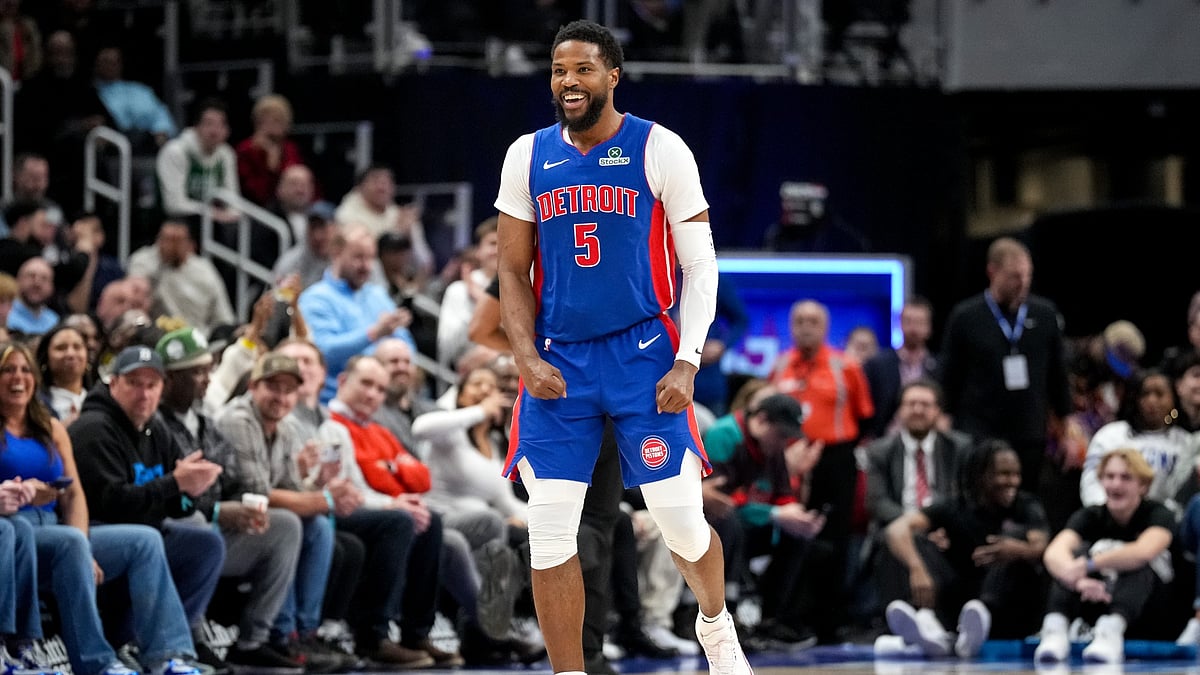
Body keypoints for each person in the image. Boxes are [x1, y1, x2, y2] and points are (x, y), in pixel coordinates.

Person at [494, 20, 749, 675]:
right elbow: (511, 272)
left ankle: (716, 625)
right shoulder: (527, 154)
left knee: (680, 521)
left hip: (645, 354)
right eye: (558, 70)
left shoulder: (660, 148)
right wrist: (524, 355)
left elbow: (701, 266)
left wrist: (689, 358)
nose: (568, 82)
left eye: (582, 69)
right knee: (549, 532)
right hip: (560, 360)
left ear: (612, 76)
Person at [0, 342, 205, 675]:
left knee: (145, 540)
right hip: (13, 529)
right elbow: (113, 498)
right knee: (47, 538)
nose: (18, 378)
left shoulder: (51, 427)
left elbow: (74, 495)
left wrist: (85, 545)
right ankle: (95, 662)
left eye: (25, 370)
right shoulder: (95, 427)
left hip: (58, 529)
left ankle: (168, 655)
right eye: (8, 370)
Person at [153, 327, 308, 673]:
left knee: (285, 525)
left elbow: (234, 480)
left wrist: (245, 507)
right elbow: (165, 496)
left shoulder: (207, 423)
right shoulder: (154, 423)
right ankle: (189, 638)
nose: (206, 379)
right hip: (172, 528)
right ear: (170, 377)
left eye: (207, 369)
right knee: (197, 527)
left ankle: (254, 641)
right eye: (195, 372)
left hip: (215, 527)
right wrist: (221, 510)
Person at [68, 346, 229, 670]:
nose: (144, 393)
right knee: (145, 540)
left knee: (205, 545)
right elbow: (112, 504)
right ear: (114, 384)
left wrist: (192, 489)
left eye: (151, 385)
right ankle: (168, 654)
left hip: (144, 531)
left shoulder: (156, 429)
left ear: (161, 389)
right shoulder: (93, 430)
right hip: (92, 533)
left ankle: (148, 639)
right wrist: (174, 484)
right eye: (134, 383)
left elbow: (179, 507)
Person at [880, 439, 1049, 659]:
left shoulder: (1026, 506)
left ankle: (974, 623)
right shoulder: (955, 506)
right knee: (917, 542)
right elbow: (896, 529)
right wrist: (917, 568)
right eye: (1004, 474)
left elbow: (1042, 545)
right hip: (960, 600)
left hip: (1004, 607)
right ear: (981, 476)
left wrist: (1017, 550)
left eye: (1016, 474)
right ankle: (931, 625)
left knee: (1017, 539)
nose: (1013, 482)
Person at [938, 236, 1071, 496]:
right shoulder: (965, 316)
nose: (1022, 283)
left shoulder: (1044, 314)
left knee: (1026, 497)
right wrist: (945, 415)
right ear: (992, 272)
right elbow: (949, 373)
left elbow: (1058, 372)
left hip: (1029, 429)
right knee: (980, 497)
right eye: (1014, 276)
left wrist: (1065, 423)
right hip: (979, 428)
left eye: (1027, 276)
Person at [702, 393, 834, 645]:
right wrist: (774, 514)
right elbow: (718, 500)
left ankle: (773, 619)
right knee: (730, 525)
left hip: (751, 525)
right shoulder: (725, 435)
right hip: (721, 523)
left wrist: (798, 516)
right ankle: (721, 614)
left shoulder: (773, 448)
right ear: (761, 420)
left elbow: (783, 496)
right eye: (781, 434)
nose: (784, 442)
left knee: (800, 538)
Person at [1035, 448, 1175, 664]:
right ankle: (1055, 628)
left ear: (1143, 485)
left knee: (1135, 561)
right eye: (1109, 477)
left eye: (1126, 477)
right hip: (1095, 596)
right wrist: (1079, 579)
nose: (1116, 484)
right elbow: (1054, 552)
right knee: (1072, 556)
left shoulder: (1159, 514)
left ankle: (1112, 630)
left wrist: (1090, 564)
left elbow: (1143, 551)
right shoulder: (1090, 515)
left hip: (1148, 608)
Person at [298, 224, 415, 402]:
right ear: (337, 253)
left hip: (382, 399)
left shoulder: (377, 295)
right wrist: (374, 334)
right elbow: (323, 352)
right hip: (335, 401)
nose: (366, 266)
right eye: (358, 257)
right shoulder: (316, 298)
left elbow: (406, 344)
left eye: (370, 258)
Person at [1079, 368, 1198, 515]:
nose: (1152, 401)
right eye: (1145, 394)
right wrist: (1106, 514)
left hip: (1168, 523)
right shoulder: (1110, 436)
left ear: (1173, 399)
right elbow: (1091, 482)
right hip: (1112, 518)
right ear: (1134, 398)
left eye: (1159, 394)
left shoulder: (1187, 442)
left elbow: (1185, 494)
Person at [127, 221, 235, 336]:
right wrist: (163, 263)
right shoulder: (142, 262)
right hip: (153, 336)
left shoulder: (204, 270)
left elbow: (223, 317)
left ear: (191, 245)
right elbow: (134, 301)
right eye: (167, 239)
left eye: (178, 241)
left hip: (196, 338)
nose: (172, 246)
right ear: (158, 240)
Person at [863, 296, 939, 441]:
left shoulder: (939, 367)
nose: (913, 328)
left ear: (929, 327)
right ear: (899, 324)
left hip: (930, 441)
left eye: (919, 322)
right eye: (908, 321)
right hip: (886, 441)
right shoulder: (877, 365)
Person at [155, 99, 239, 224]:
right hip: (172, 221)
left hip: (208, 221)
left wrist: (232, 214)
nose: (214, 131)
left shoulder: (226, 154)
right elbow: (173, 204)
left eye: (220, 125)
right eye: (208, 124)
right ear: (196, 127)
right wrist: (211, 212)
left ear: (227, 131)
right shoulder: (176, 151)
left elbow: (233, 200)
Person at [236, 94, 306, 207]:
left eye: (279, 119)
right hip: (255, 210)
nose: (275, 124)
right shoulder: (247, 149)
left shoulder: (290, 149)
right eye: (270, 119)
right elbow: (255, 193)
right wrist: (270, 165)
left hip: (290, 207)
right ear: (259, 122)